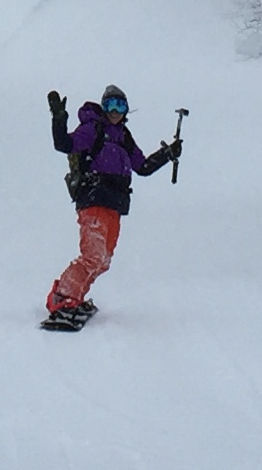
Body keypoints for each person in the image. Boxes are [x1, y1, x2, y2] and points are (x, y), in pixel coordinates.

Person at [42, 84, 177, 328]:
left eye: (120, 106)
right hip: (94, 197)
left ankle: (75, 296)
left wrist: (167, 154)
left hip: (115, 204)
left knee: (103, 260)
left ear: (126, 110)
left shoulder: (124, 137)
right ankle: (62, 298)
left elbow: (142, 167)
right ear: (103, 108)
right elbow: (63, 144)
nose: (115, 111)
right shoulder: (93, 130)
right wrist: (59, 119)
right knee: (92, 256)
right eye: (110, 105)